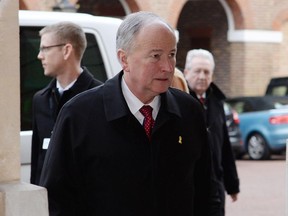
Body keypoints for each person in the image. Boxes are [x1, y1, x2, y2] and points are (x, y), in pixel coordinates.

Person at [39, 11, 211, 216]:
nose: (168, 67)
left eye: (172, 54)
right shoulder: (78, 115)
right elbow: (58, 199)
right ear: (124, 59)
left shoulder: (189, 111)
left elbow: (205, 190)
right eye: (156, 56)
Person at [30, 21, 102, 185]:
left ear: (67, 50)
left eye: (45, 48)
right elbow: (37, 161)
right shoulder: (40, 99)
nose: (40, 55)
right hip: (48, 202)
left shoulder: (100, 97)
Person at [184, 49, 240, 216]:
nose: (202, 76)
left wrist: (232, 185)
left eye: (206, 72)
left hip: (215, 184)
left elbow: (224, 146)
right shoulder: (177, 99)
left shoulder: (217, 102)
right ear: (186, 72)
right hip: (189, 186)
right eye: (197, 71)